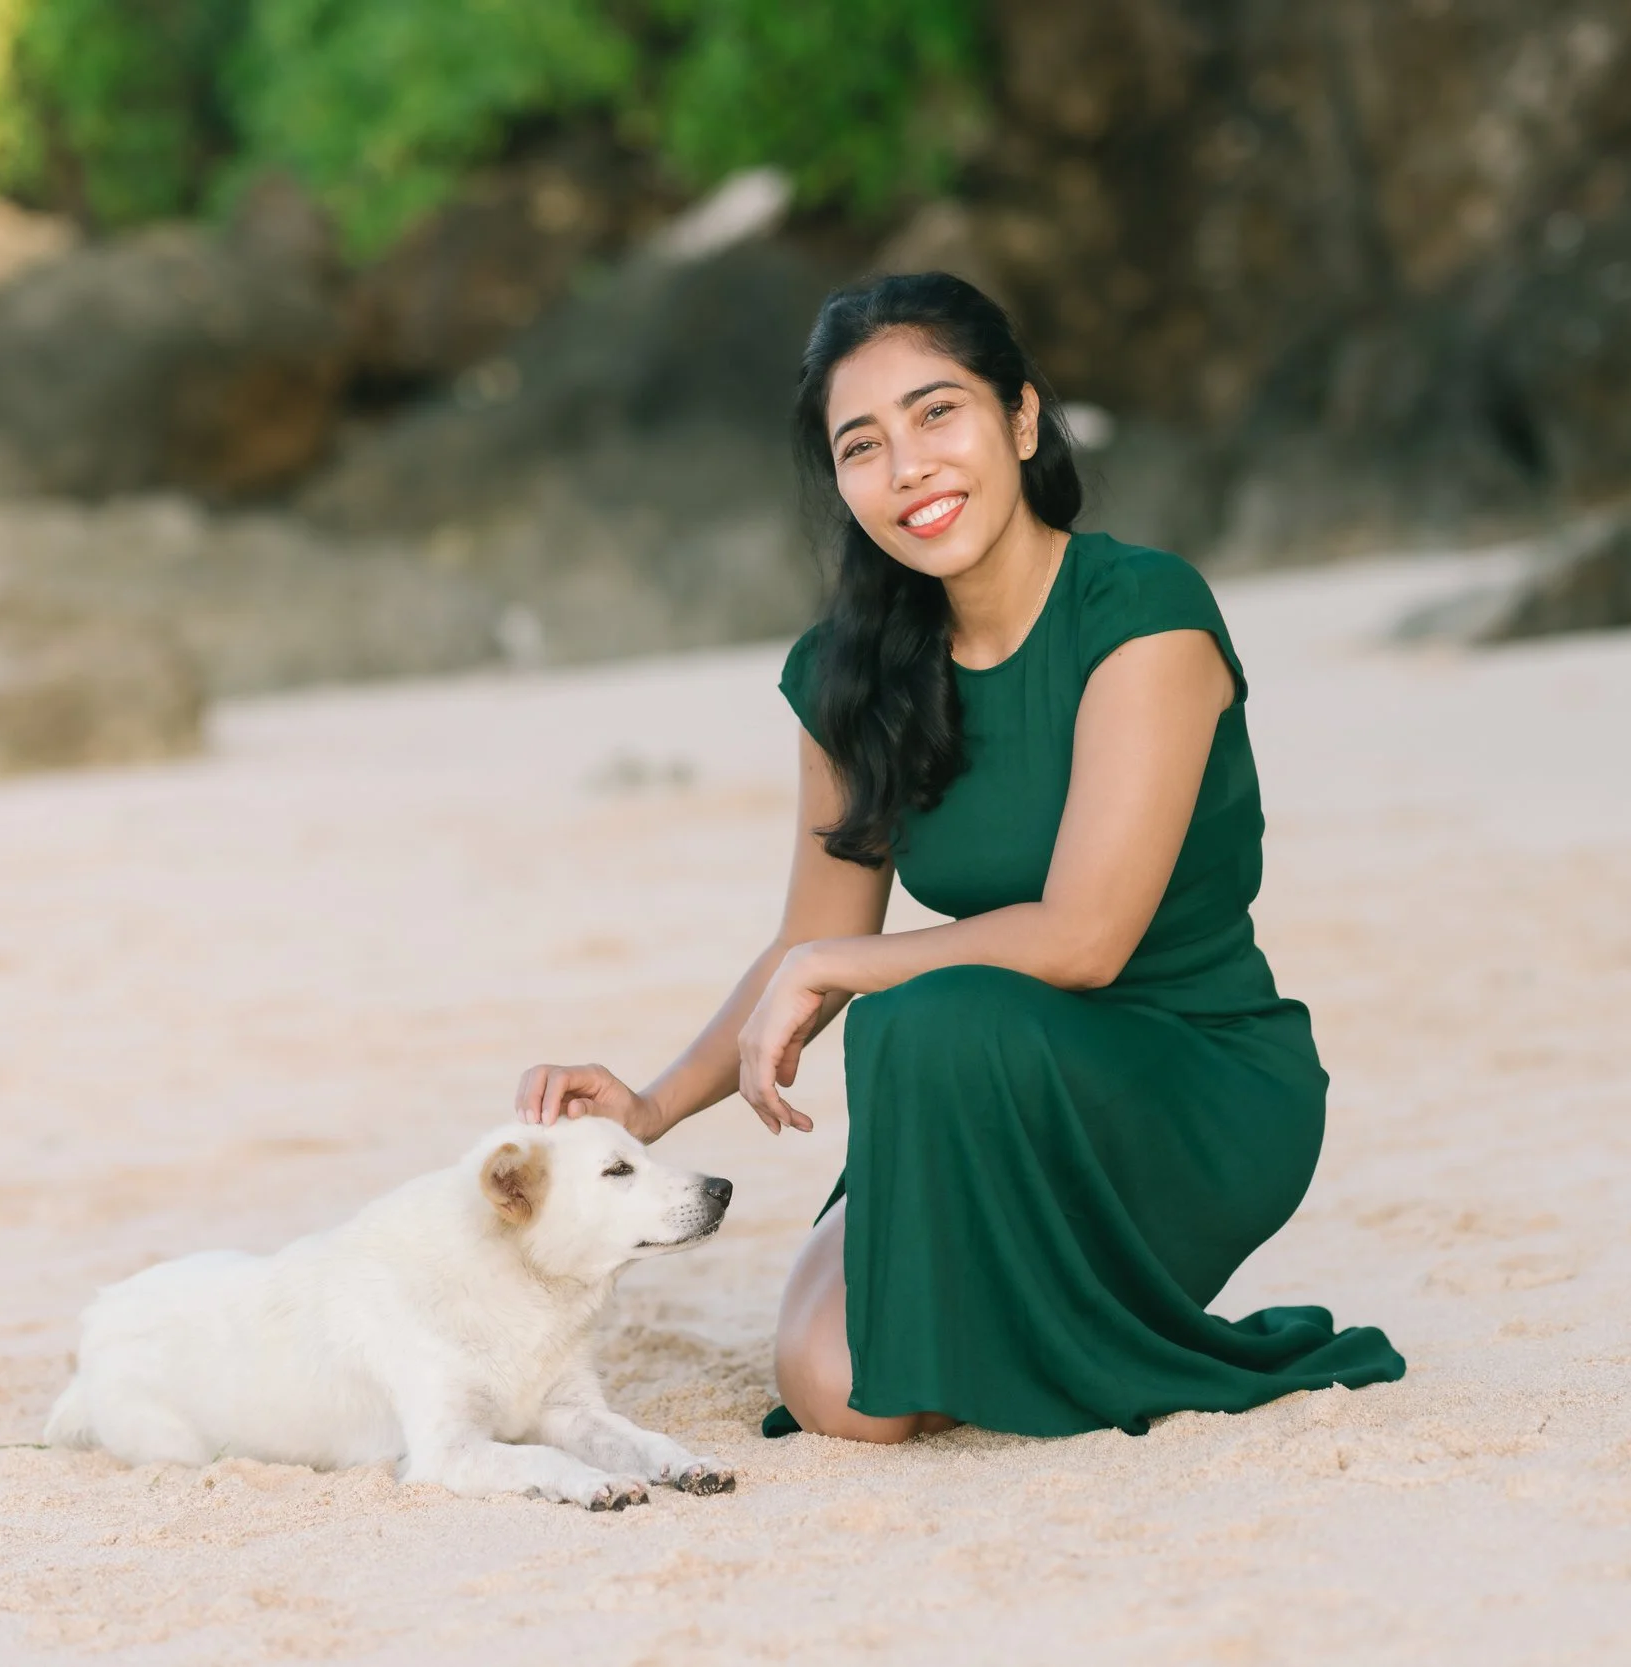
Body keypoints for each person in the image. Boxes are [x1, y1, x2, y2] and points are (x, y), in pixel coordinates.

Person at [516, 271, 1404, 1443]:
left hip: (1188, 1086)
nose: (909, 468)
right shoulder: (849, 675)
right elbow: (804, 943)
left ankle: (1053, 1313)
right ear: (839, 483)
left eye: (939, 413)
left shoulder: (1143, 615)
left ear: (1023, 420)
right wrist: (647, 1108)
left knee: (916, 1013)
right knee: (838, 1390)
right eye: (862, 444)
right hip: (978, 1084)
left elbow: (1085, 938)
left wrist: (849, 966)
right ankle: (1013, 1314)